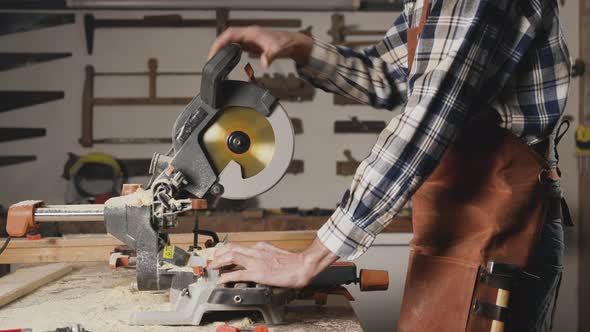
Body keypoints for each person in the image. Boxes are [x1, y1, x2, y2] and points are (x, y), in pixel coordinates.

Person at [208, 0, 572, 330]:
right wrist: (301, 47)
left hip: (502, 225)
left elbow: (428, 117)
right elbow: (388, 76)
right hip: (460, 221)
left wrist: (311, 259)